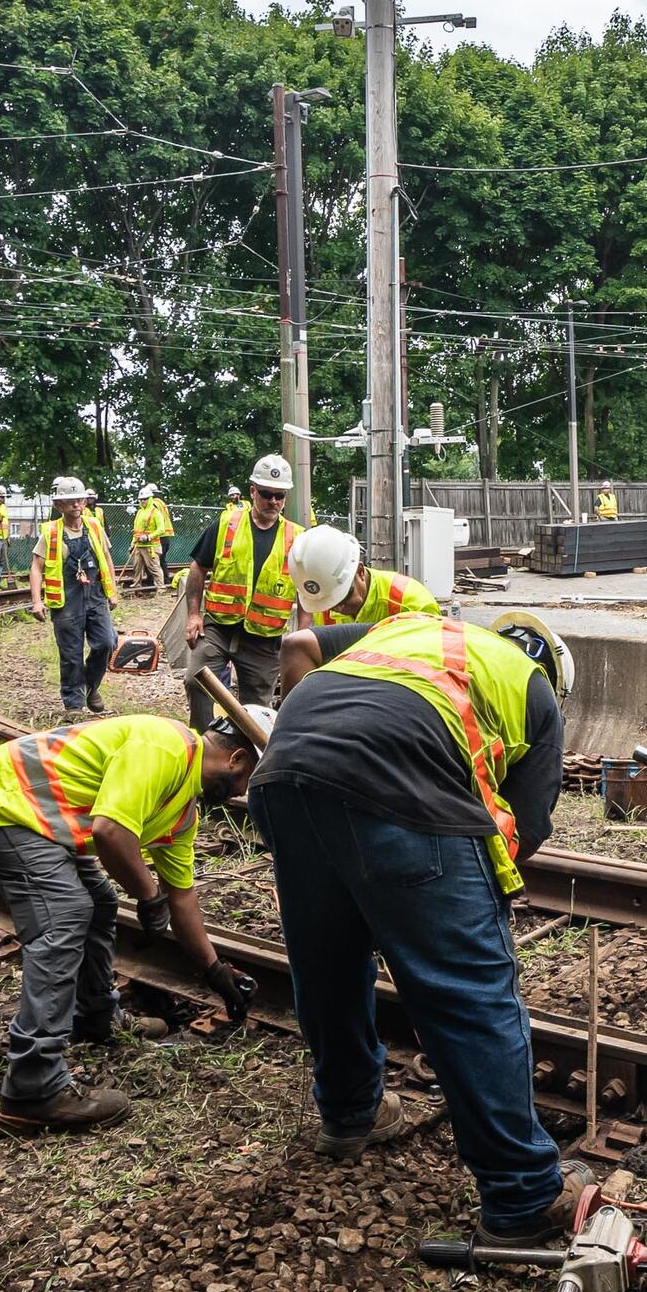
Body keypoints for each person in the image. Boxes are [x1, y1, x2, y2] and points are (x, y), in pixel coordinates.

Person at [251, 610, 591, 1245]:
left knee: (327, 960)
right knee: (468, 991)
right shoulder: (534, 689)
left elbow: (298, 646)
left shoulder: (411, 626)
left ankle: (352, 1113)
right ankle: (523, 1193)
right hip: (397, 775)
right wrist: (460, 920)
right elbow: (525, 829)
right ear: (551, 665)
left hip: (285, 768)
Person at [0, 711, 262, 1133]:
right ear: (238, 760)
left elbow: (183, 896)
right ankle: (33, 1089)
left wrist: (215, 970)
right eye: (248, 782)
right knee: (65, 915)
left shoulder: (180, 809)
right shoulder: (165, 746)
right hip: (1, 800)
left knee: (97, 903)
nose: (241, 794)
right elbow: (110, 832)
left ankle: (95, 1016)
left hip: (40, 816)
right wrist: (148, 895)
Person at [182, 455, 299, 719]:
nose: (273, 502)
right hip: (218, 627)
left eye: (279, 496)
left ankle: (247, 756)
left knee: (256, 710)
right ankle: (207, 744)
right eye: (267, 494)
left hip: (264, 639)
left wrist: (302, 634)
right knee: (196, 680)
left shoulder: (297, 538)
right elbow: (198, 567)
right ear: (253, 491)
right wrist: (193, 615)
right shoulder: (226, 523)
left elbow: (306, 590)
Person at [31, 475, 121, 715]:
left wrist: (112, 591)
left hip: (95, 597)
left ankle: (91, 687)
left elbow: (106, 558)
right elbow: (36, 568)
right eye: (69, 501)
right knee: (71, 655)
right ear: (59, 505)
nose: (75, 505)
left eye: (79, 500)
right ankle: (74, 705)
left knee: (106, 643)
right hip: (66, 602)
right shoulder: (50, 533)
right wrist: (37, 601)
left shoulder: (94, 527)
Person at [287, 524, 440, 627]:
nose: (338, 608)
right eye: (330, 603)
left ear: (360, 571)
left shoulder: (412, 603)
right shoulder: (325, 603)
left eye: (344, 597)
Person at [130, 483, 175, 595]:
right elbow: (136, 530)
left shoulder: (155, 510)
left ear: (150, 498)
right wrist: (132, 543)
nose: (143, 501)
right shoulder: (140, 512)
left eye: (145, 499)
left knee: (155, 567)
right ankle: (137, 588)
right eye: (141, 499)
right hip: (139, 545)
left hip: (151, 545)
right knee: (137, 567)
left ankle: (160, 588)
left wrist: (148, 537)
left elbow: (161, 529)